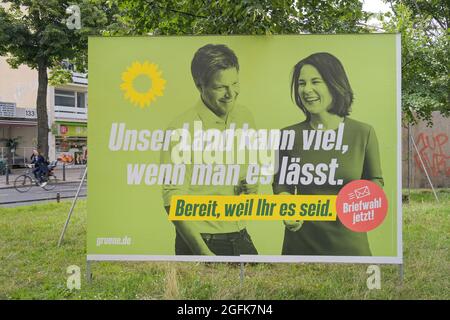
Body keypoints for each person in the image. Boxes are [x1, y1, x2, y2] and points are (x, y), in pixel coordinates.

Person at [273, 52, 384, 256]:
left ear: (335, 84)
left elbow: (375, 181)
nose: (307, 90)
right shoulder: (288, 135)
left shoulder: (363, 133)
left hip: (350, 246)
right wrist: (286, 207)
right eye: (301, 84)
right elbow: (281, 184)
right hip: (300, 246)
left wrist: (354, 204)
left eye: (316, 81)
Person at [161, 44, 259, 256]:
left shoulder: (244, 117)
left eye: (234, 83)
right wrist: (204, 255)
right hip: (201, 243)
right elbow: (173, 201)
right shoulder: (180, 129)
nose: (230, 93)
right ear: (199, 86)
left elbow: (250, 172)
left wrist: (251, 184)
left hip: (240, 235)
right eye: (220, 87)